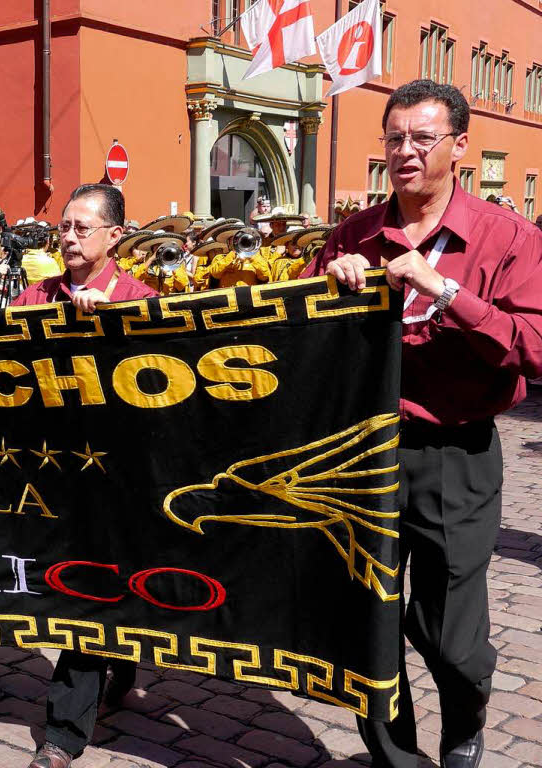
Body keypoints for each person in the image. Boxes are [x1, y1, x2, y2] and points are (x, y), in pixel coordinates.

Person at [303, 80, 542, 768]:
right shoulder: (354, 234)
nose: (405, 151)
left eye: (422, 138)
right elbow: (303, 336)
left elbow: (535, 347)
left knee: (449, 640)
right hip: (362, 455)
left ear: (459, 146)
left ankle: (464, 719)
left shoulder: (507, 238)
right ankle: (398, 761)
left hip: (454, 452)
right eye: (395, 138)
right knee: (365, 632)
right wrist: (330, 281)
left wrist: (448, 293)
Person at [11, 184, 156, 768]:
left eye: (81, 228)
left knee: (90, 589)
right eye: (64, 227)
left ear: (114, 235)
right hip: (49, 470)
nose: (67, 237)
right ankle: (112, 672)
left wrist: (115, 329)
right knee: (78, 588)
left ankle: (63, 734)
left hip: (115, 475)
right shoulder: (34, 295)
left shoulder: (142, 297)